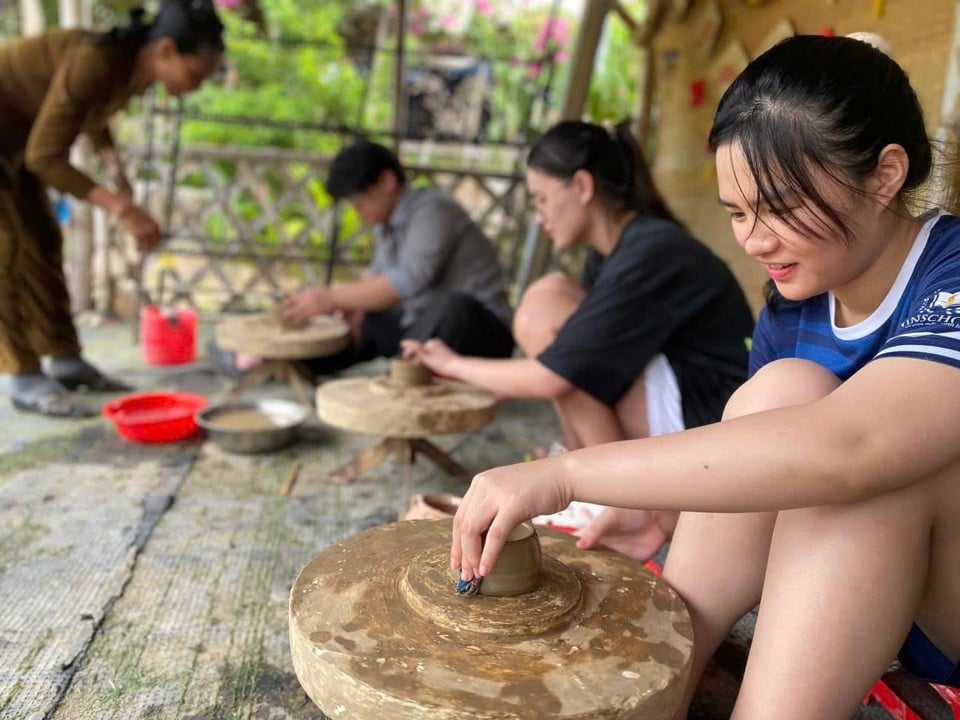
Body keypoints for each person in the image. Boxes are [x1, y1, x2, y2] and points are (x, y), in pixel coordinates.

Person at [448, 34, 960, 718]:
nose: (753, 240)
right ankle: (654, 694)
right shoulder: (796, 307)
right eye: (739, 214)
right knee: (781, 397)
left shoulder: (948, 272)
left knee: (865, 465)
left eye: (778, 208)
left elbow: (852, 447)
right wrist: (662, 512)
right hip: (886, 605)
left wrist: (567, 474)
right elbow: (771, 462)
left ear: (884, 175)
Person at [404, 120, 754, 559]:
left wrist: (452, 364)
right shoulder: (611, 255)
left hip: (713, 424)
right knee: (558, 315)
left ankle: (616, 496)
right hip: (679, 407)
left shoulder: (653, 250)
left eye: (542, 198)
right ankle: (593, 489)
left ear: (583, 186)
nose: (539, 214)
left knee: (544, 309)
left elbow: (553, 376)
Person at [0, 0, 224, 417]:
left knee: (43, 240)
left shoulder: (129, 71)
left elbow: (88, 111)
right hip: (21, 145)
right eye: (195, 75)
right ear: (167, 50)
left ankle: (64, 358)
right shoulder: (98, 59)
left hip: (16, 144)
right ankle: (22, 374)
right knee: (7, 249)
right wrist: (122, 207)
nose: (195, 87)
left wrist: (115, 169)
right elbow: (45, 158)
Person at [267, 139, 514, 375]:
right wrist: (352, 308)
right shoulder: (385, 225)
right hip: (420, 325)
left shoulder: (434, 210)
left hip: (480, 332)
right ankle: (293, 362)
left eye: (360, 203)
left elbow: (409, 280)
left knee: (453, 307)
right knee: (354, 321)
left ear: (386, 181)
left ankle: (400, 376)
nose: (358, 212)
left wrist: (330, 297)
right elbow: (378, 282)